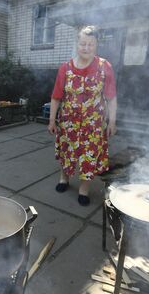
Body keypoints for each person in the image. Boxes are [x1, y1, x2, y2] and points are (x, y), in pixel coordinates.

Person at [48, 26, 117, 206]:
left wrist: (112, 121)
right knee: (66, 152)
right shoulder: (65, 68)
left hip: (93, 124)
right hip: (68, 122)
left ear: (96, 46)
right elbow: (56, 97)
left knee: (89, 156)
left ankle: (84, 189)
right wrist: (52, 120)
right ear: (77, 44)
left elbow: (111, 98)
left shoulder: (104, 67)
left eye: (90, 44)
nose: (86, 48)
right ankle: (64, 178)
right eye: (82, 44)